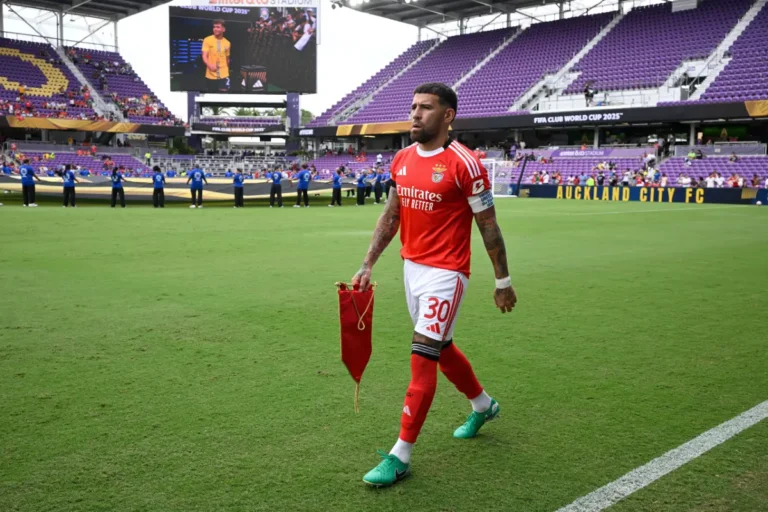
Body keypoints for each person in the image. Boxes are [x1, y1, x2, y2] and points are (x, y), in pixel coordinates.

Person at [352, 82, 517, 488]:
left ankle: (400, 455)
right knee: (440, 348)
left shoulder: (467, 164)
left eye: (425, 107)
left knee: (422, 355)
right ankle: (483, 405)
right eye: (413, 107)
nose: (415, 114)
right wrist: (368, 263)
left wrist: (503, 281)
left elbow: (489, 227)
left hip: (448, 273)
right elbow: (392, 216)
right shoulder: (402, 158)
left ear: (448, 115)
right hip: (412, 269)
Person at [203, 19, 231, 93]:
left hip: (224, 75)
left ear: (223, 29)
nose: (215, 29)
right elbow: (204, 56)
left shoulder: (227, 43)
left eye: (218, 27)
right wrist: (209, 65)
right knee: (211, 96)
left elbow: (227, 59)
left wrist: (226, 71)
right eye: (214, 27)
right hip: (211, 74)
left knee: (223, 97)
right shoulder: (207, 40)